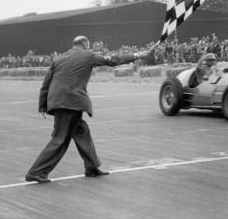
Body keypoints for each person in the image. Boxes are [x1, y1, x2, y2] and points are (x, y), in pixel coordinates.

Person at [25, 35, 152, 183]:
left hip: (59, 102)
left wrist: (42, 105)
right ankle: (36, 172)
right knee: (60, 139)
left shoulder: (59, 58)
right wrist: (137, 55)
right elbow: (112, 60)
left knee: (81, 131)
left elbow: (46, 83)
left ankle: (91, 168)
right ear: (85, 44)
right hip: (71, 102)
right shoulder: (87, 55)